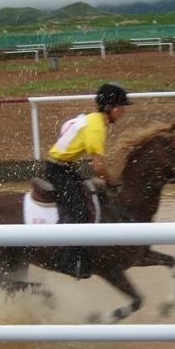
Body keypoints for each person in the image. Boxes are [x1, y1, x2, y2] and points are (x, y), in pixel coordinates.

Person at [45, 82, 131, 279]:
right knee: (81, 212)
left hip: (63, 166)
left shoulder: (92, 120)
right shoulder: (96, 128)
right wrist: (112, 182)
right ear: (109, 107)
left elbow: (66, 127)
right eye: (121, 107)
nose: (123, 111)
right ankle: (68, 261)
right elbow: (99, 167)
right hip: (58, 170)